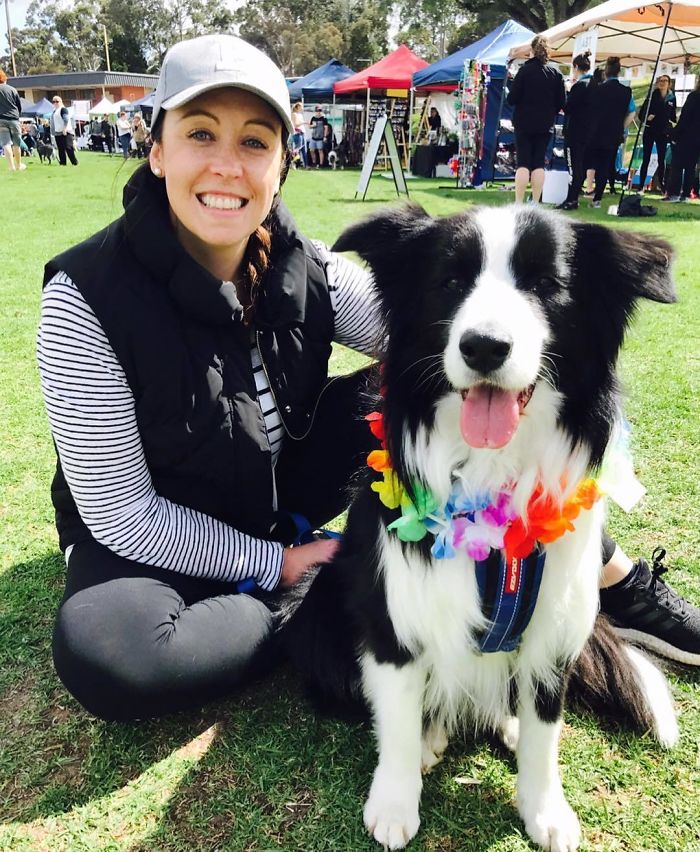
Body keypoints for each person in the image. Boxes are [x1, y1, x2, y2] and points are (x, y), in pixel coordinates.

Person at [37, 34, 700, 723]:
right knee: (113, 655)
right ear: (157, 149)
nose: (228, 166)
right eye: (201, 134)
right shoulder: (84, 299)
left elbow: (439, 337)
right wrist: (283, 564)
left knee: (443, 387)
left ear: (284, 162)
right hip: (155, 533)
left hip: (279, 487)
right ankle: (334, 595)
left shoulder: (309, 268)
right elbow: (124, 516)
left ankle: (607, 581)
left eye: (256, 141)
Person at [506, 35, 565, 203]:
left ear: (531, 51)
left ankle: (519, 202)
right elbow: (562, 102)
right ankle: (536, 201)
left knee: (523, 162)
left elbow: (512, 99)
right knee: (539, 163)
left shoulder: (524, 71)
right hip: (545, 124)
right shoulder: (555, 73)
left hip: (523, 122)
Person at [586, 57, 635, 208]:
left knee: (589, 163)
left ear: (606, 71)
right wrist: (621, 127)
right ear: (619, 71)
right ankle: (598, 199)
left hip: (595, 132)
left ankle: (583, 191)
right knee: (605, 166)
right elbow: (632, 113)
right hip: (614, 133)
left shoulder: (598, 89)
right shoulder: (626, 91)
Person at [557, 50, 594, 210]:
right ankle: (573, 197)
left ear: (576, 67)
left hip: (574, 132)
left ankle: (571, 199)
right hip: (587, 131)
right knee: (580, 165)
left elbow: (568, 107)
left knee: (574, 167)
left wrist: (565, 91)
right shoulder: (594, 84)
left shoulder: (580, 86)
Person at [637, 75, 677, 194]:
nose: (662, 83)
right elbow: (641, 114)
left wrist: (673, 125)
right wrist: (647, 118)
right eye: (660, 81)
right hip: (650, 130)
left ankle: (662, 186)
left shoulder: (672, 98)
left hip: (663, 132)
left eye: (665, 81)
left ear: (669, 83)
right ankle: (641, 186)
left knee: (661, 159)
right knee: (646, 158)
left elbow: (673, 116)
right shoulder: (652, 96)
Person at [663, 77, 700, 202]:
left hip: (687, 136)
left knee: (677, 165)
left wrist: (674, 132)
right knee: (691, 167)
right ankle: (686, 194)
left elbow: (685, 118)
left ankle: (674, 193)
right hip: (697, 139)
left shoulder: (694, 97)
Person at [0, 68, 26, 172]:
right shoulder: (12, 89)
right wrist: (18, 115)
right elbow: (19, 105)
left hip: (1, 119)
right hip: (14, 118)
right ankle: (19, 165)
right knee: (16, 143)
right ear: (4, 79)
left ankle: (11, 167)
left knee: (6, 143)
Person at [50, 96, 79, 166]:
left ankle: (74, 162)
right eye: (54, 102)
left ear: (61, 102)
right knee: (61, 149)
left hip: (66, 132)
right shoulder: (54, 112)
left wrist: (65, 129)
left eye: (57, 101)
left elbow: (66, 119)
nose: (55, 103)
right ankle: (63, 163)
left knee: (69, 148)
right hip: (57, 133)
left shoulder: (63, 109)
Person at [291, 102, 307, 167]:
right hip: (297, 133)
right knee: (297, 149)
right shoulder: (294, 114)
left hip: (302, 133)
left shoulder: (300, 115)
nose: (302, 108)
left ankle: (306, 165)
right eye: (301, 107)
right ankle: (293, 163)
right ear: (297, 107)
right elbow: (295, 125)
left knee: (304, 149)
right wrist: (303, 122)